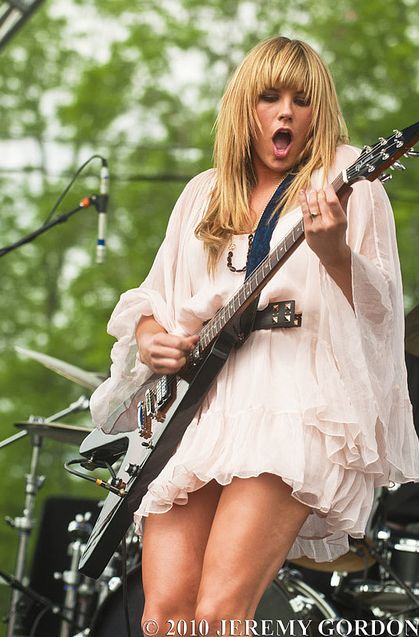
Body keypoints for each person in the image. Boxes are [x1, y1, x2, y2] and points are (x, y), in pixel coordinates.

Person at [90, 36, 419, 634]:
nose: (286, 112)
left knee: (219, 613)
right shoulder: (203, 193)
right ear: (246, 108)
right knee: (165, 615)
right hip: (195, 409)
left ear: (320, 111)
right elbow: (151, 295)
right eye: (270, 97)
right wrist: (147, 334)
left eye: (302, 99)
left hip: (290, 403)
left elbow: (381, 311)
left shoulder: (349, 183)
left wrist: (332, 250)